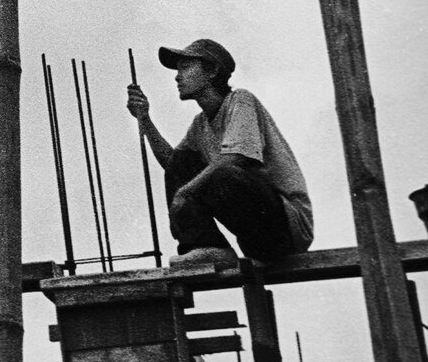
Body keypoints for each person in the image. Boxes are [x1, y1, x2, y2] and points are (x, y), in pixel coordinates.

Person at [127, 38, 313, 267]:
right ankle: (207, 246)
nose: (177, 76)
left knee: (224, 172)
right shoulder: (200, 125)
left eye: (185, 67)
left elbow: (236, 157)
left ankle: (217, 247)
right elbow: (173, 164)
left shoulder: (241, 100)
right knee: (184, 163)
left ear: (212, 71)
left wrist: (186, 192)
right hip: (254, 237)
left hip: (287, 228)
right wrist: (144, 120)